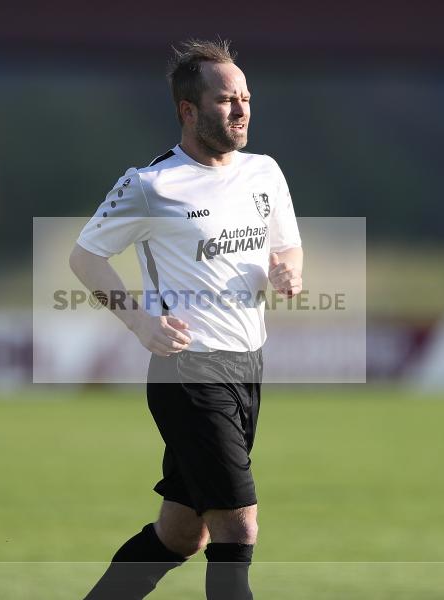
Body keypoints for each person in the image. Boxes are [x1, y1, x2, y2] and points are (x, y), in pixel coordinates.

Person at [70, 38, 302, 600]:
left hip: (248, 365)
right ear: (188, 111)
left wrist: (288, 273)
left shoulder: (264, 173)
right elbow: (85, 257)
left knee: (181, 533)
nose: (242, 109)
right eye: (226, 100)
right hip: (189, 374)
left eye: (246, 97)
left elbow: (288, 248)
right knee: (238, 526)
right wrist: (139, 323)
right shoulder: (151, 185)